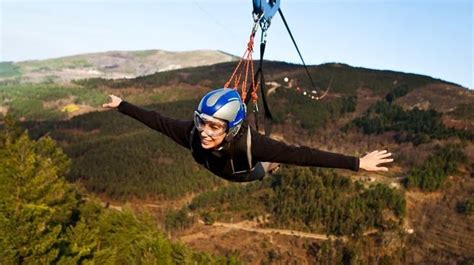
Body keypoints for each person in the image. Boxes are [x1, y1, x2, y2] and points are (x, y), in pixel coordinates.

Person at [102, 88, 393, 182]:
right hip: (222, 166)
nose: (205, 131)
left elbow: (304, 155)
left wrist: (357, 163)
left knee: (272, 162)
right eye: (202, 122)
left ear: (232, 129)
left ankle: (271, 164)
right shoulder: (191, 133)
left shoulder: (253, 144)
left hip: (246, 170)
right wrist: (122, 106)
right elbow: (157, 121)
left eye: (214, 126)